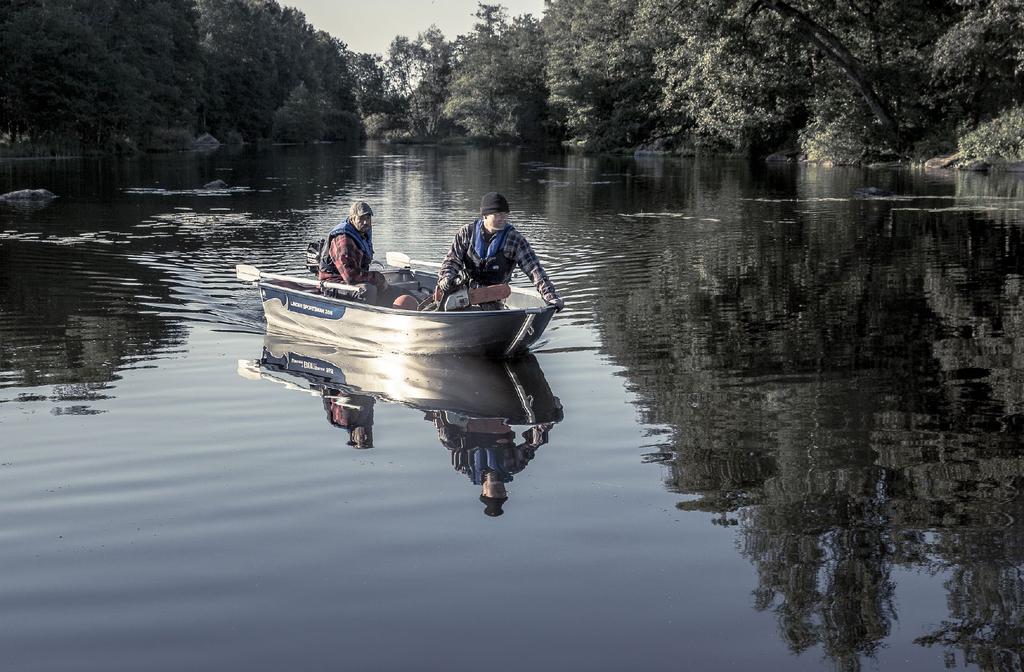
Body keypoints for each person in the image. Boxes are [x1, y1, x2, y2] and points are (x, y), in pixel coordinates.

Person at [435, 192, 564, 311]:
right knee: (444, 302)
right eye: (497, 214)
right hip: (464, 292)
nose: (503, 218)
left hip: (495, 297)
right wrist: (445, 278)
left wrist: (550, 296)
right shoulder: (466, 233)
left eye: (505, 214)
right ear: (485, 215)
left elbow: (534, 269)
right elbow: (452, 261)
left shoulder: (514, 239)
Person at [318, 201, 410, 306]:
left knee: (398, 292)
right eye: (361, 219)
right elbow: (350, 277)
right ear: (352, 219)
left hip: (353, 282)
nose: (366, 222)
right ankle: (367, 318)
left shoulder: (362, 234)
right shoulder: (343, 240)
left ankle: (424, 308)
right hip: (335, 284)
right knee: (368, 290)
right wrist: (377, 277)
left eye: (368, 218)